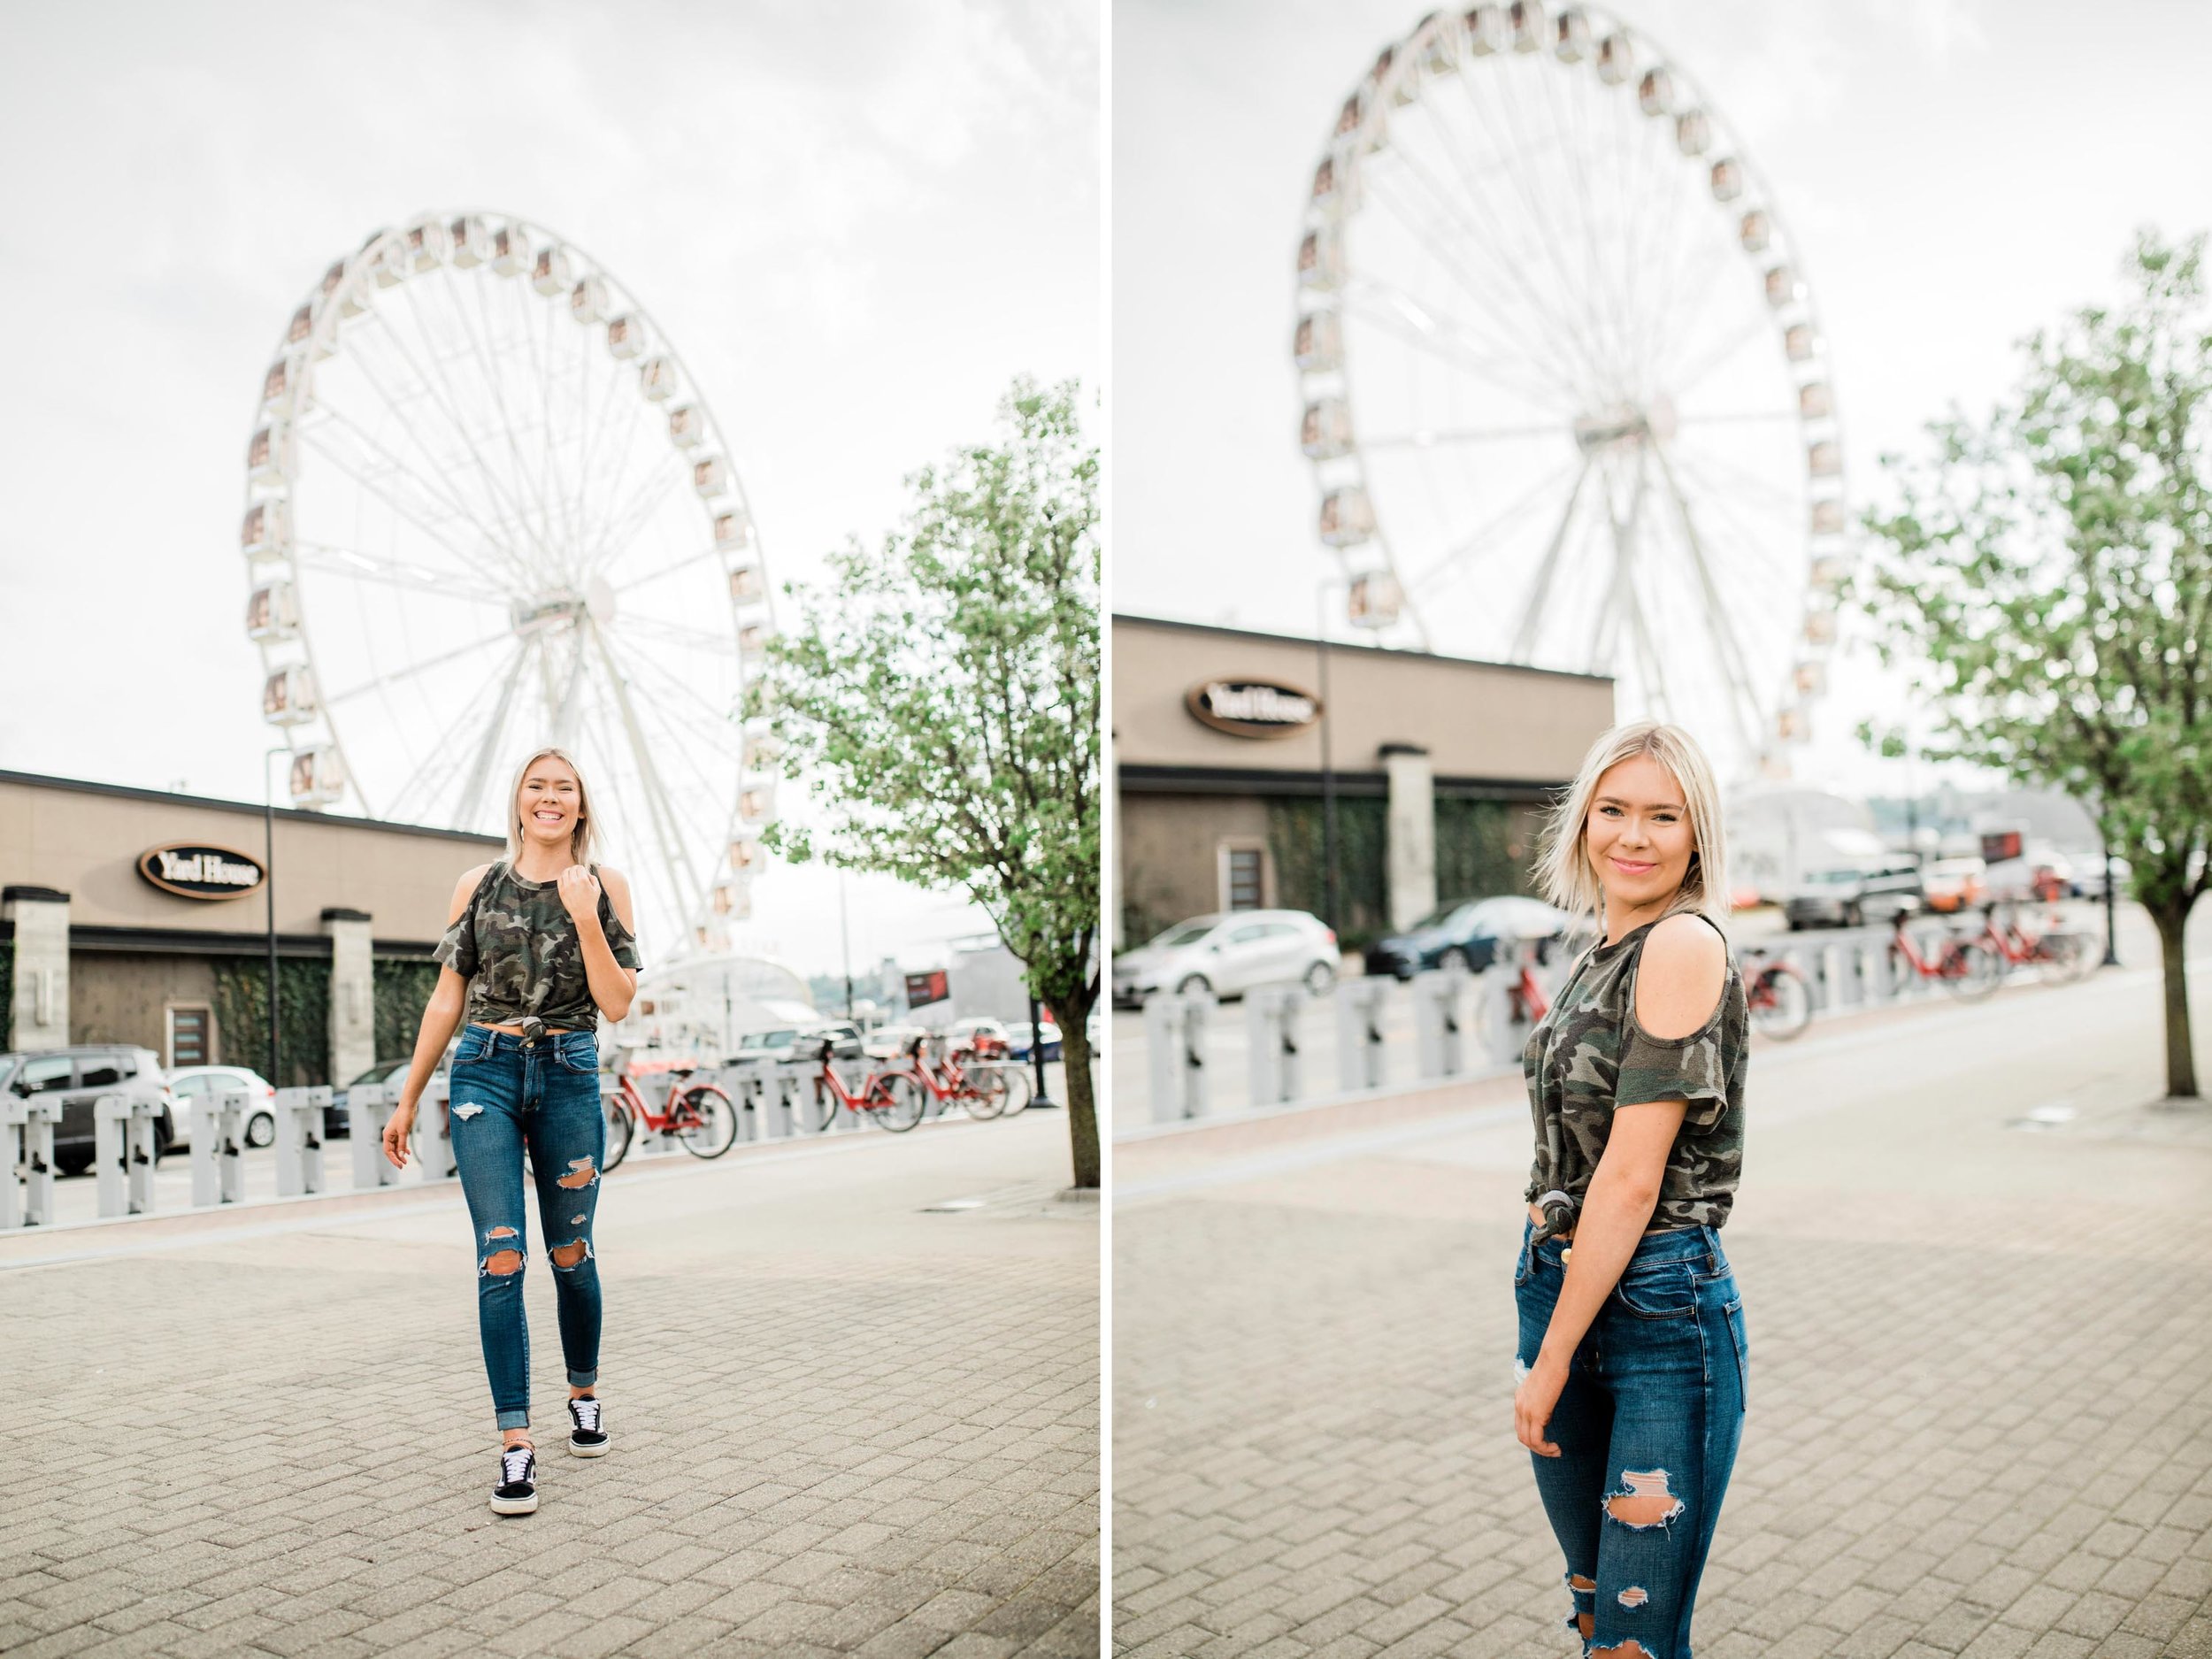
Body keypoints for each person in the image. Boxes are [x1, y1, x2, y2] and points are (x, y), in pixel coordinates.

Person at [1511, 720, 1750, 1657]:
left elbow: (1629, 1177)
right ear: (1581, 823)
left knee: (1631, 1640)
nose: (1633, 836)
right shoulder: (1598, 951)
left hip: (1656, 1311)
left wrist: (1551, 1358)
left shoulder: (1682, 944)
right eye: (1612, 810)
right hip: (1557, 1279)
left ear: (1696, 836)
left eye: (1663, 815)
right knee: (1589, 1605)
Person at [383, 747, 641, 1516]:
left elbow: (619, 1001)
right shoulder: (477, 885)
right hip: (485, 1071)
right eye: (538, 786)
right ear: (519, 801)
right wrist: (407, 1099)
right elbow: (444, 999)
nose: (550, 798)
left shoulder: (609, 885)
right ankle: (516, 1443)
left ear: (582, 806)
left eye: (565, 788)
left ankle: (584, 1391)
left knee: (571, 1256)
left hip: (568, 1071)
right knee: (501, 1257)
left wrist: (587, 912)